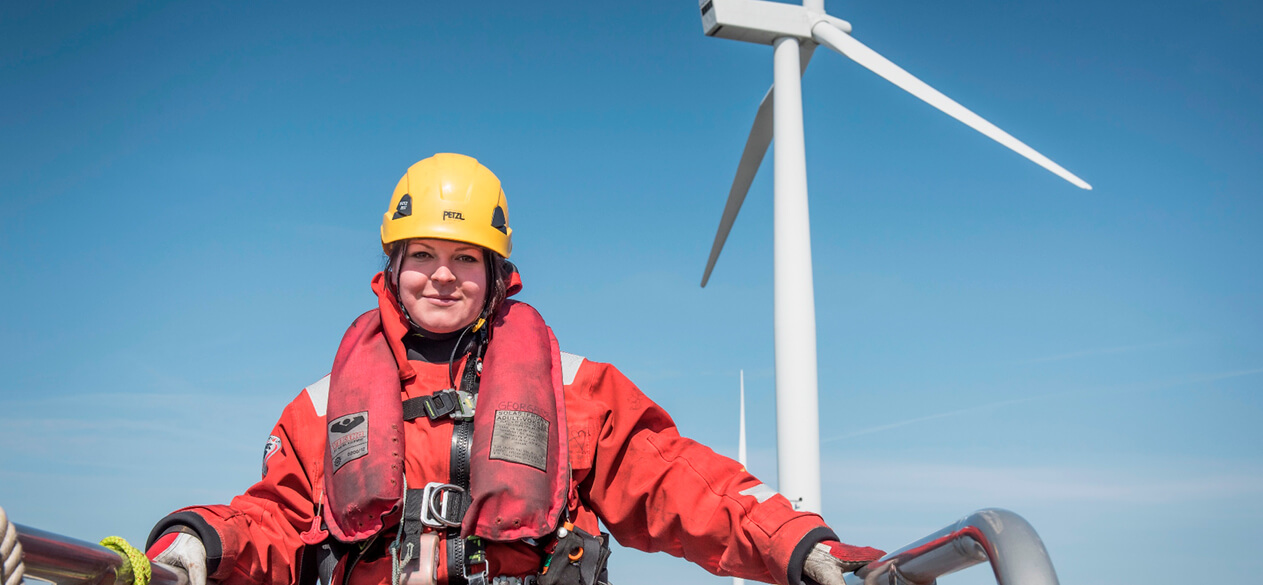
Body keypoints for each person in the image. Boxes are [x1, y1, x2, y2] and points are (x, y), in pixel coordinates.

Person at [144, 153, 884, 585]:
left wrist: (798, 543)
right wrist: (195, 543)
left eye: (464, 258)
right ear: (391, 267)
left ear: (498, 275)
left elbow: (681, 483)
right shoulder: (318, 407)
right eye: (422, 256)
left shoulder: (573, 389)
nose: (442, 276)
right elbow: (273, 520)